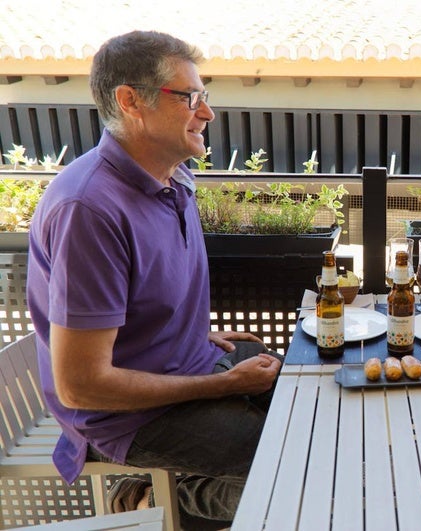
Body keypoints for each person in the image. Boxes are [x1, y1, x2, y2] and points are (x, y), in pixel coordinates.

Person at [26, 30, 283, 530]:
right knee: (297, 468)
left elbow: (143, 292)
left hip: (187, 363)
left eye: (204, 97)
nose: (206, 113)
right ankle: (145, 498)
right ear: (130, 102)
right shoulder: (89, 209)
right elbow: (81, 386)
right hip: (129, 416)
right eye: (189, 98)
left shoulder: (173, 176)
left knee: (310, 399)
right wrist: (219, 385)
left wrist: (194, 334)